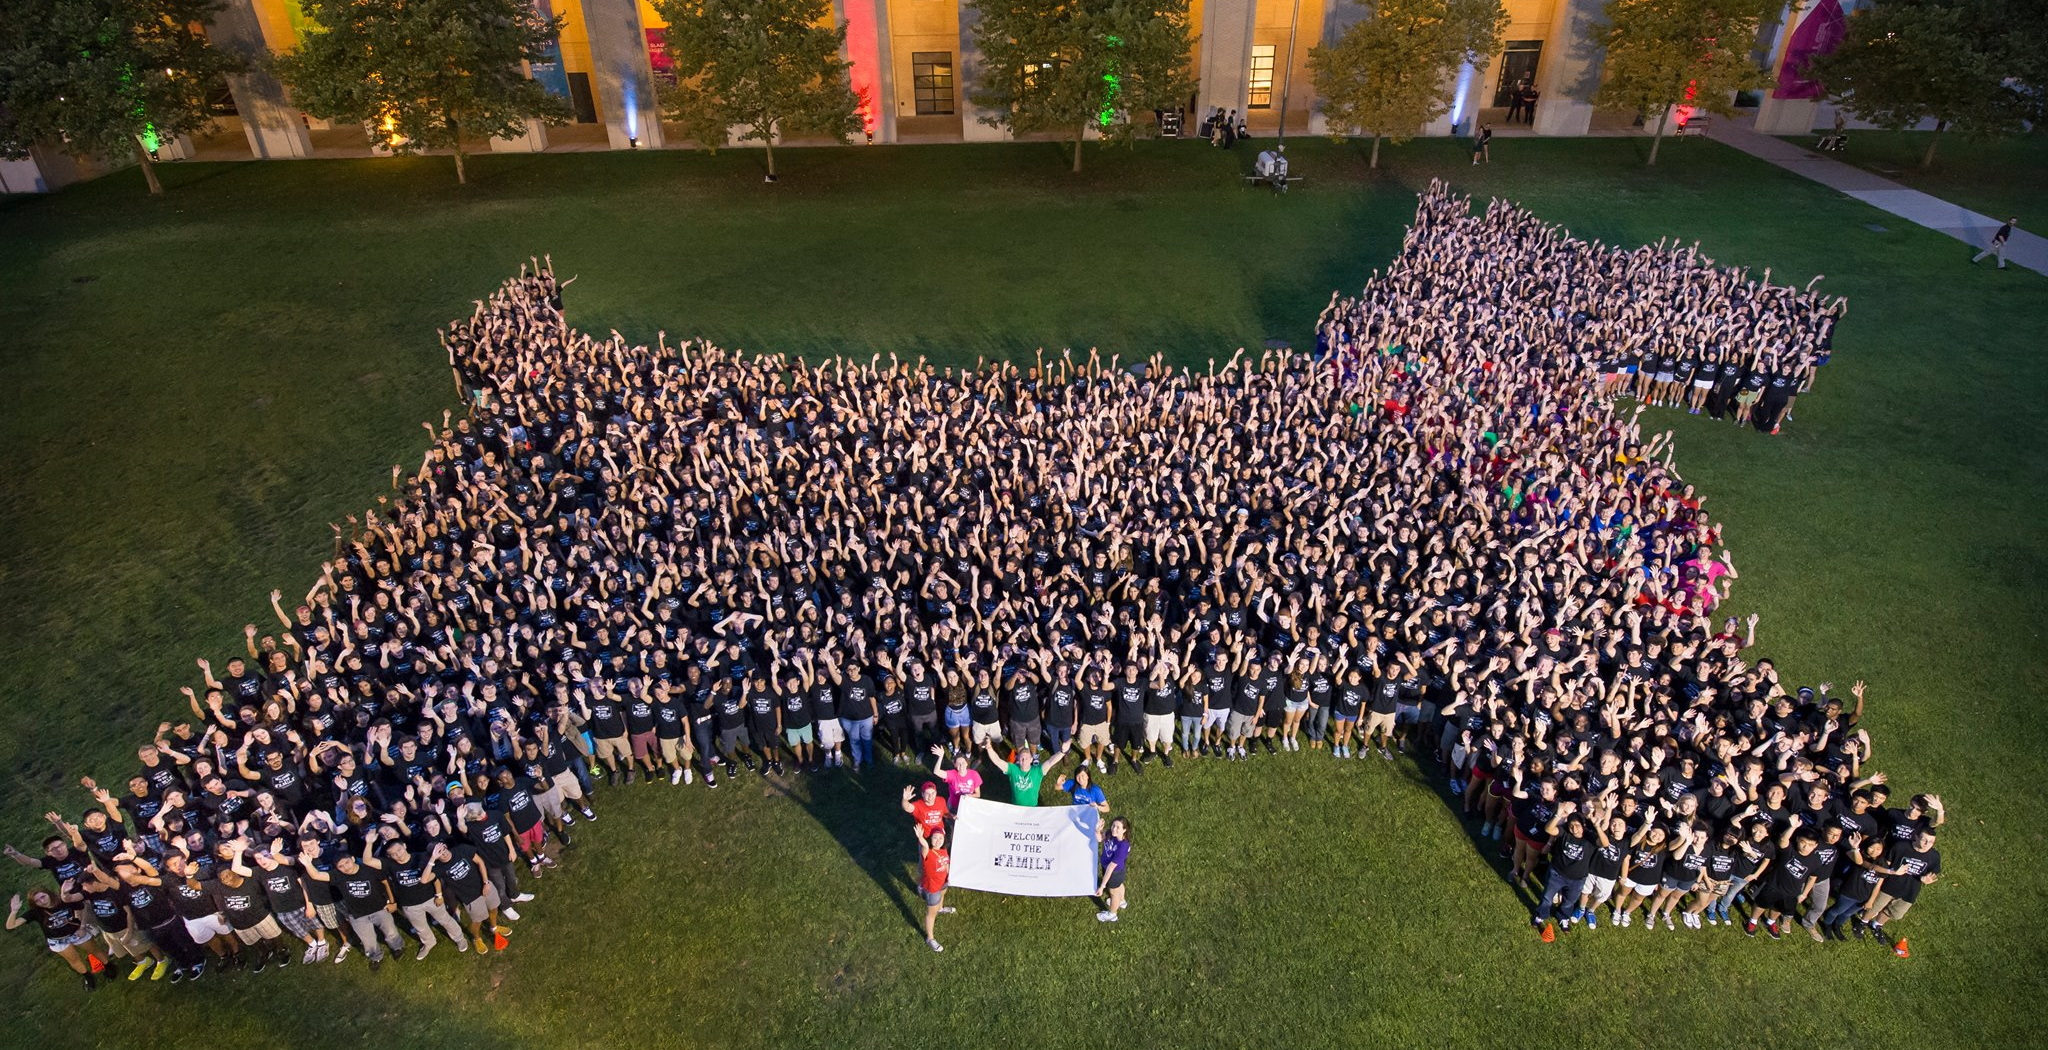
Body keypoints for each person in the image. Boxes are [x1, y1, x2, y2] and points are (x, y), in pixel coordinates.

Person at [6, 887, 101, 990]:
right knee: (73, 959)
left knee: (94, 950)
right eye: (37, 901)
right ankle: (88, 976)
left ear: (48, 894)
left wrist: (82, 926)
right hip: (58, 940)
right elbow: (10, 925)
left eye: (43, 897)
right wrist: (14, 911)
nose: (42, 901)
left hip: (75, 932)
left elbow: (80, 907)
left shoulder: (62, 901)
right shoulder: (35, 912)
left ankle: (108, 966)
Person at [983, 741, 1072, 806]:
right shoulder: (1012, 769)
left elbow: (1050, 762)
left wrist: (1062, 752)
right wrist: (989, 748)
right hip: (1016, 808)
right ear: (1018, 760)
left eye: (1026, 758)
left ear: (1031, 760)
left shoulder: (1037, 771)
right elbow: (997, 761)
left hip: (1032, 809)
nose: (1024, 761)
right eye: (1022, 759)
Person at [918, 827, 954, 952]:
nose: (938, 840)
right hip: (932, 888)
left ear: (944, 839)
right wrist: (921, 838)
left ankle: (941, 908)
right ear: (930, 839)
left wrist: (949, 875)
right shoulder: (928, 852)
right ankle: (930, 938)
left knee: (942, 895)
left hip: (943, 883)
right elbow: (924, 846)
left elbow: (947, 864)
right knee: (931, 914)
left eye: (940, 838)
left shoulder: (944, 851)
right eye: (935, 837)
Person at [1095, 816, 1132, 922]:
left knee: (1113, 892)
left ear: (1124, 830)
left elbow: (1111, 868)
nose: (1114, 829)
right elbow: (1100, 839)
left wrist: (1102, 886)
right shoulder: (1110, 834)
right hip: (1112, 871)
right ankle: (1122, 902)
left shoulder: (1123, 847)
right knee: (1119, 886)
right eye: (1113, 825)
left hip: (1114, 873)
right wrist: (1098, 830)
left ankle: (1112, 914)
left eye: (1118, 827)